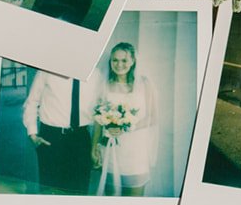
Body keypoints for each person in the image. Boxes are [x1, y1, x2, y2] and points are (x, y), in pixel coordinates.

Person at [89, 42, 159, 197]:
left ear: (133, 61)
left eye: (124, 60)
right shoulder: (105, 85)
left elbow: (152, 117)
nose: (119, 64)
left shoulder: (144, 84)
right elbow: (98, 120)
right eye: (115, 60)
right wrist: (94, 147)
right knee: (111, 196)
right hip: (110, 148)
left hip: (135, 150)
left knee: (133, 199)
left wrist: (125, 127)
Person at [22, 66, 92, 194]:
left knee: (79, 188)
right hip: (51, 137)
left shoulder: (94, 73)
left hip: (81, 138)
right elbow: (32, 102)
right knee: (50, 188)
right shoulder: (47, 70)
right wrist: (32, 133)